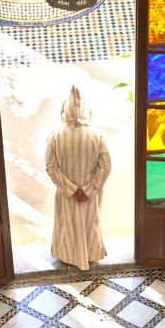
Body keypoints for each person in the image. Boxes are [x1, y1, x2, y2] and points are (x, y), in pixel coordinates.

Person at [45, 86, 112, 271]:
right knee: (91, 222)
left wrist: (71, 190)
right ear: (87, 110)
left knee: (67, 222)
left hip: (66, 194)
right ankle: (89, 255)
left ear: (65, 110)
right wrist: (89, 190)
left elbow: (50, 166)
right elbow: (106, 166)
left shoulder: (55, 136)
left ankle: (68, 255)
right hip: (90, 195)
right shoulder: (97, 136)